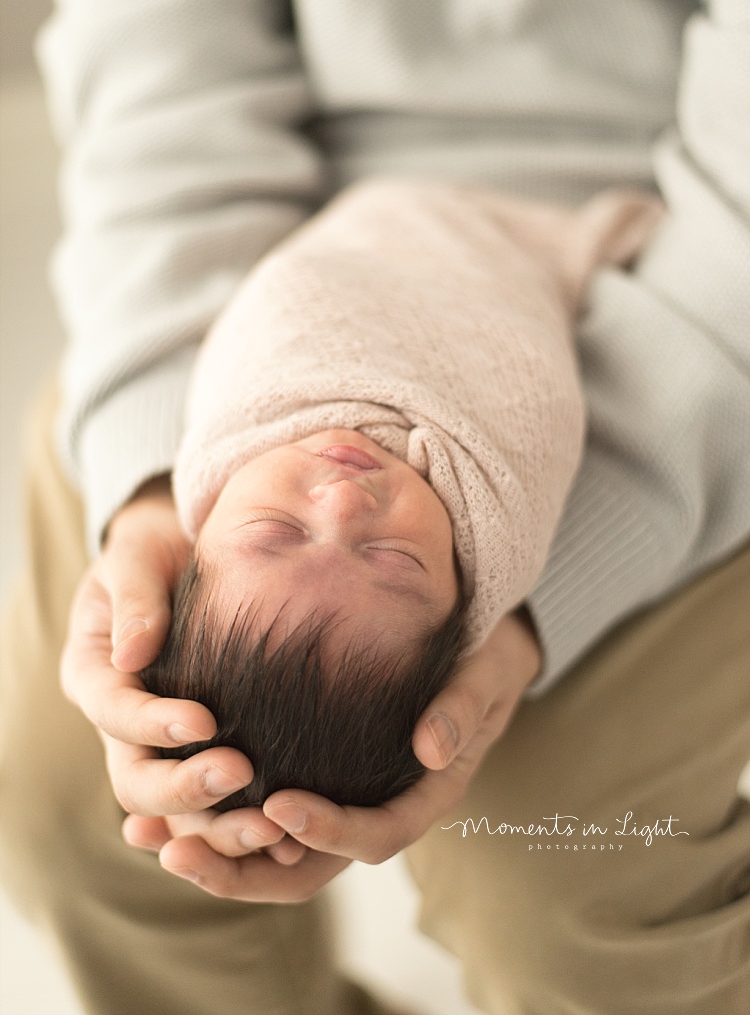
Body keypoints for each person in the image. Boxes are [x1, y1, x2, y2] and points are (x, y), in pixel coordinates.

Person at [1, 0, 749, 1014]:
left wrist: (544, 584)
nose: (345, 503)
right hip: (261, 298)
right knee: (75, 806)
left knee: (563, 881)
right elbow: (165, 149)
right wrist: (163, 481)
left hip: (690, 299)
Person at [143, 176, 661, 809]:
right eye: (391, 557)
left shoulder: (231, 432)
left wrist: (137, 499)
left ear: (195, 530)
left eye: (275, 531)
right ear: (469, 597)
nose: (343, 500)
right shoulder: (495, 489)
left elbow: (295, 293)